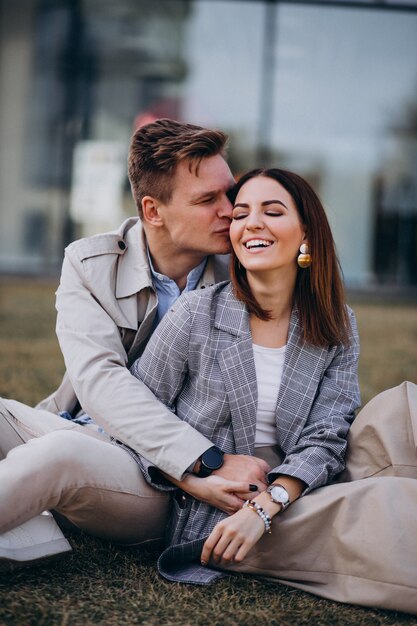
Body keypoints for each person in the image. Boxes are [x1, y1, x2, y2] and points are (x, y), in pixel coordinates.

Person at [131, 168, 417, 614]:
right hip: (224, 509)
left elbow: (328, 434)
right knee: (389, 502)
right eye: (241, 214)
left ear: (307, 234)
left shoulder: (336, 322)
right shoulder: (196, 314)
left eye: (273, 211)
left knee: (406, 406)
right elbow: (136, 416)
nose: (252, 223)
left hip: (298, 488)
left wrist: (271, 502)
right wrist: (196, 480)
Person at [0, 119, 269, 567]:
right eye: (207, 200)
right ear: (153, 211)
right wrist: (206, 460)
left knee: (60, 455)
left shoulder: (248, 279)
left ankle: (36, 509)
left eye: (231, 193)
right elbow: (98, 380)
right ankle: (32, 528)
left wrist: (198, 465)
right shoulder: (90, 263)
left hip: (159, 482)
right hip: (85, 429)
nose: (231, 211)